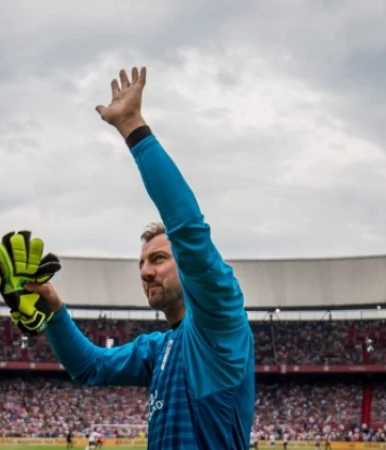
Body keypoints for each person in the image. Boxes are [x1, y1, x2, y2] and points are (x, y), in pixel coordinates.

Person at [25, 66, 255, 449]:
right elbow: (90, 367)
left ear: (189, 268)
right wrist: (52, 309)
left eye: (159, 259)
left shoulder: (220, 324)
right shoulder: (159, 348)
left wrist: (133, 126)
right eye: (143, 263)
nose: (146, 272)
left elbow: (188, 229)